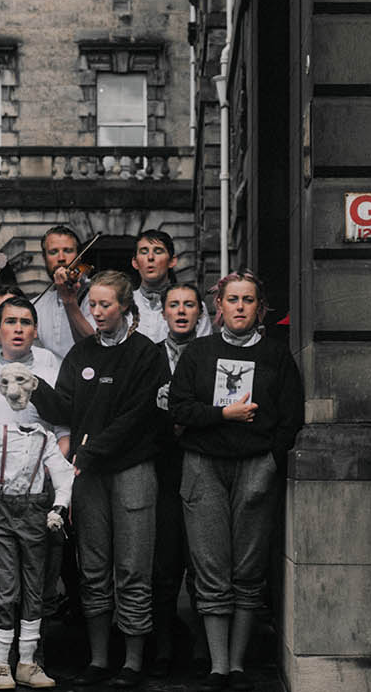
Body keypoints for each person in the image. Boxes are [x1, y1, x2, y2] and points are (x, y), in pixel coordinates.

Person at [29, 270, 170, 688]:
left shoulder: (147, 353)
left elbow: (138, 415)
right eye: (92, 304)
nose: (97, 311)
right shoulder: (81, 354)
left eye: (105, 304)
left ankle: (131, 661)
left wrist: (89, 452)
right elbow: (65, 408)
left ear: (126, 306)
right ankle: (98, 659)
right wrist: (33, 386)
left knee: (133, 569)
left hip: (133, 470)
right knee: (92, 568)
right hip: (90, 477)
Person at [168, 272, 305, 692]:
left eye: (248, 300)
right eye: (233, 299)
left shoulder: (276, 355)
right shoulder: (198, 353)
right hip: (204, 466)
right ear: (219, 306)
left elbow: (291, 415)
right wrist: (220, 416)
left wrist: (269, 459)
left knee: (247, 568)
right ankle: (218, 665)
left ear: (259, 308)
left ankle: (240, 665)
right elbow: (178, 407)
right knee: (210, 566)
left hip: (254, 466)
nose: (240, 307)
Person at [0, 296, 68, 649]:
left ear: (35, 331)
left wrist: (51, 476)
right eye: (10, 322)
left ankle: (34, 655)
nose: (17, 329)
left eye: (25, 322)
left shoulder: (51, 367)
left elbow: (64, 431)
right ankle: (1, 655)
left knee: (42, 577)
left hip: (40, 490)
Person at [0, 360, 76, 690]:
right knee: (7, 590)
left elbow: (64, 477)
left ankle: (27, 662)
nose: (14, 392)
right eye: (7, 384)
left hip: (36, 517)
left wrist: (59, 506)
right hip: (4, 518)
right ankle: (0, 664)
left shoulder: (45, 439)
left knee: (35, 590)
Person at [150, 282, 209, 677]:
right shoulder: (150, 356)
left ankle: (206, 648)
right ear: (164, 313)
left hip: (203, 461)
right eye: (175, 305)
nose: (182, 311)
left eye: (190, 305)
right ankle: (163, 647)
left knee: (202, 558)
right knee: (165, 560)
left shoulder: (211, 354)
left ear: (200, 313)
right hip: (163, 467)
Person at [130, 229, 213, 343]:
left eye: (158, 251)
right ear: (135, 262)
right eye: (144, 252)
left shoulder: (193, 306)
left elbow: (203, 350)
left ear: (172, 261)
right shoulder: (123, 305)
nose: (150, 257)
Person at [33, 226, 94, 358]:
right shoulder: (36, 304)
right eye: (53, 252)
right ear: (44, 259)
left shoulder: (97, 295)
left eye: (68, 251)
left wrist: (69, 301)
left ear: (79, 257)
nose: (61, 258)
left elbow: (95, 345)